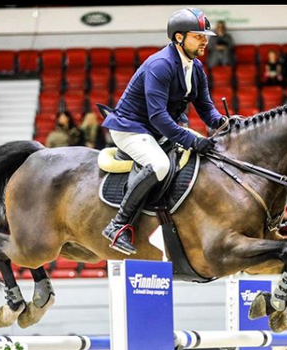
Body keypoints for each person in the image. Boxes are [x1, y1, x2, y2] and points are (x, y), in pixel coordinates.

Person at [100, 8, 234, 255]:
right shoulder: (160, 65)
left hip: (159, 129)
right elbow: (157, 115)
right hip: (132, 127)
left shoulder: (195, 67)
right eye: (199, 36)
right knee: (160, 165)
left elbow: (206, 108)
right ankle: (118, 224)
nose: (205, 40)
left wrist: (226, 123)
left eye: (205, 36)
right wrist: (191, 140)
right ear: (179, 37)